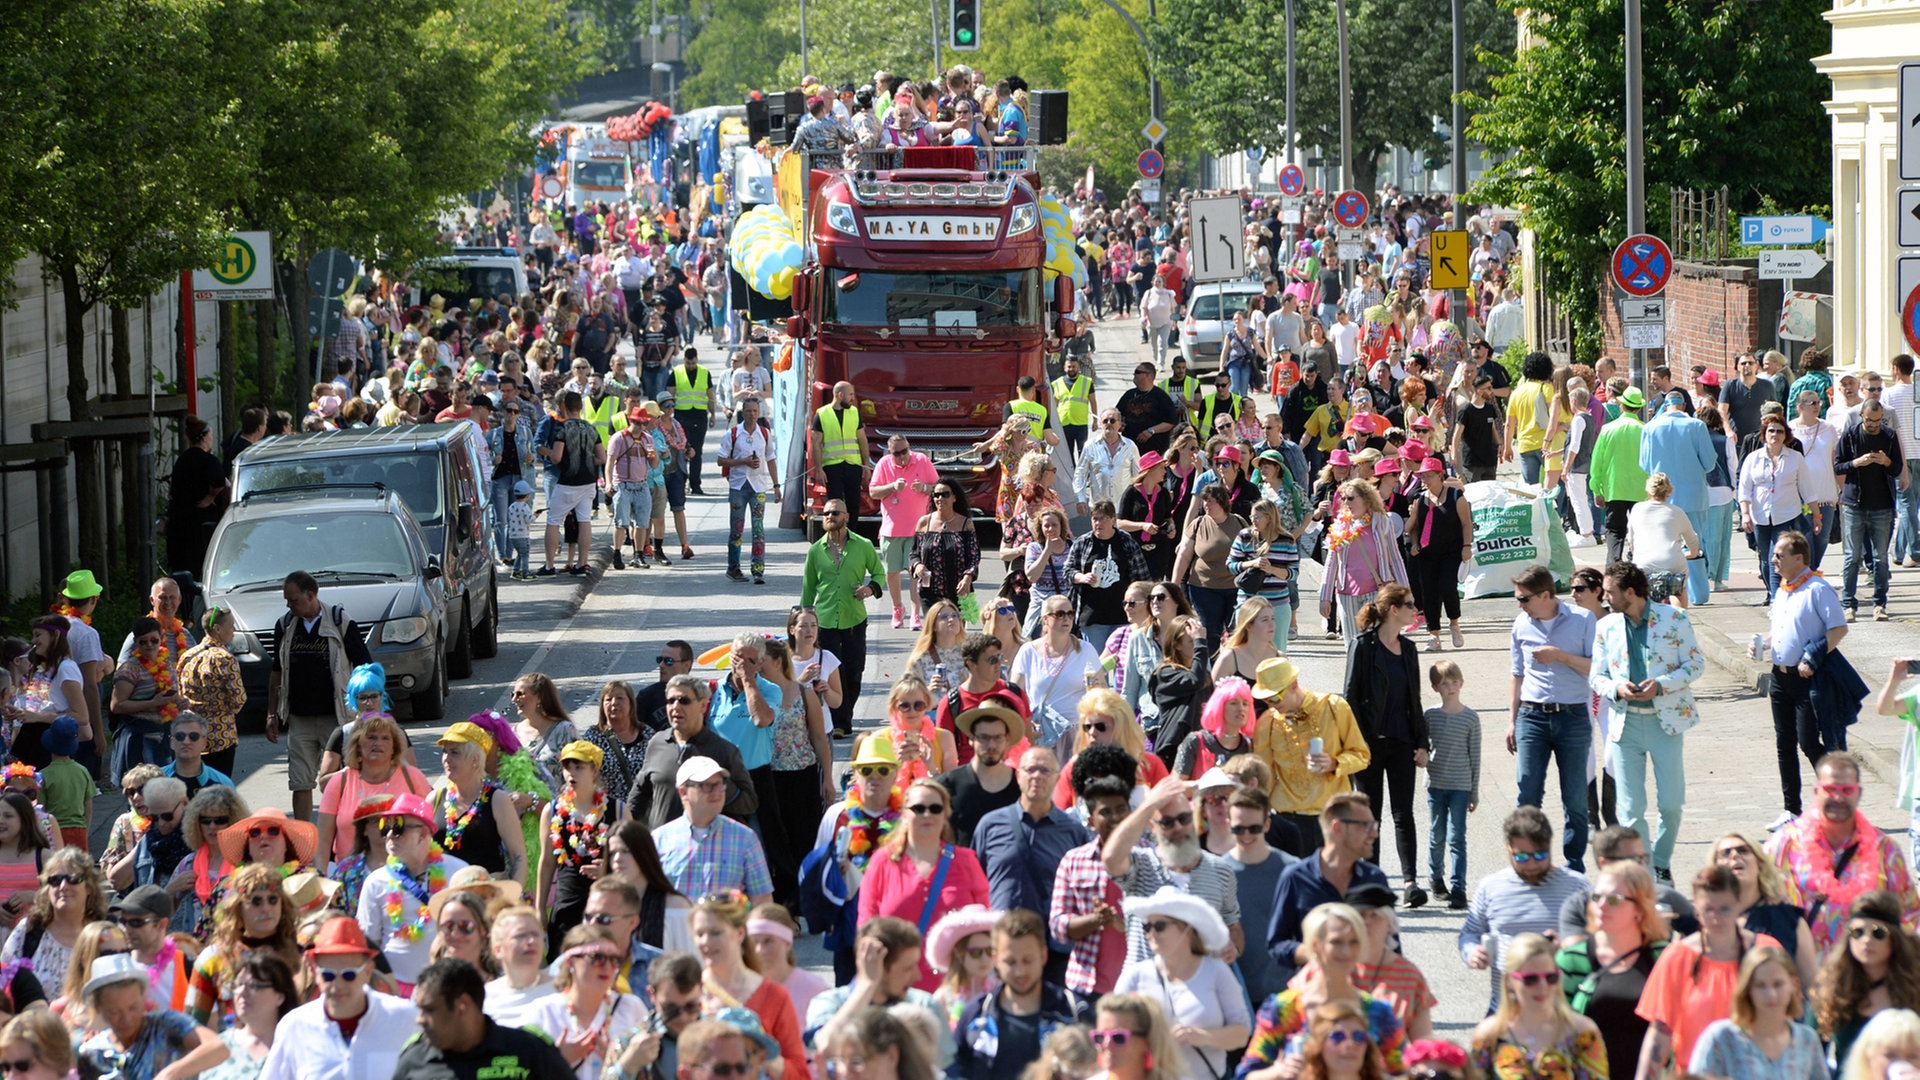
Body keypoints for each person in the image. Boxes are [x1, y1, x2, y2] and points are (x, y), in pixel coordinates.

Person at [1587, 559, 1704, 886]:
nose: (1603, 597)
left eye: (1609, 592)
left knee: (1671, 803)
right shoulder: (1605, 627)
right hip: (1624, 725)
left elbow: (1695, 665)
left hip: (1664, 723)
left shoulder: (1674, 618)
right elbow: (1597, 676)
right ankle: (1649, 870)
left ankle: (1662, 860)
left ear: (1630, 591)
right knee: (1630, 809)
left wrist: (1662, 684)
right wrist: (1616, 688)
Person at [1634, 865, 1784, 1077]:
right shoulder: (1677, 957)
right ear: (1696, 909)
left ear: (1739, 904)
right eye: (1708, 909)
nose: (1716, 918)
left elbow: (1786, 1018)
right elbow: (1660, 1030)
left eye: (1725, 909)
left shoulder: (1765, 951)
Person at [1767, 750, 1920, 955]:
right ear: (1816, 792)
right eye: (1830, 789)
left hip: (1865, 977)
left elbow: (1911, 915)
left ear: (1859, 793)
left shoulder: (1885, 850)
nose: (1838, 797)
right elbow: (1757, 899)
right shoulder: (1785, 842)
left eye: (1847, 790)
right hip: (1803, 973)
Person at [1242, 903, 1408, 1079]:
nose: (1347, 951)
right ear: (1315, 946)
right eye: (1336, 942)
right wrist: (1279, 1072)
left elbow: (1403, 1072)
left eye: (1354, 942)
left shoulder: (1377, 1011)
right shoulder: (1283, 1008)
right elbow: (1246, 1075)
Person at [1342, 584, 1429, 908]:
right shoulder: (1362, 646)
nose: (1414, 609)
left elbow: (1415, 699)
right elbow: (1349, 697)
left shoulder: (1408, 649)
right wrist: (1360, 744)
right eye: (1409, 605)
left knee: (1403, 813)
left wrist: (1422, 742)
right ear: (1393, 609)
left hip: (1403, 742)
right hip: (1370, 745)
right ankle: (1372, 883)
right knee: (1370, 817)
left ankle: (1410, 883)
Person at [1508, 565, 1597, 872]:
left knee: (1574, 797)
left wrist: (1560, 656)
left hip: (1573, 715)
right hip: (1532, 716)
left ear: (1545, 595)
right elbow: (1517, 674)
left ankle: (1574, 867)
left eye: (1524, 598)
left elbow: (1596, 668)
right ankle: (1531, 861)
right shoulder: (1521, 623)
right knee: (1528, 791)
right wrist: (1512, 720)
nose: (1520, 604)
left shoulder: (1582, 620)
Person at [1110, 885, 1251, 1079]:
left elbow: (1242, 1033)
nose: (1152, 933)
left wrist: (1201, 1036)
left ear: (1187, 929)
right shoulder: (1134, 976)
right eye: (1147, 926)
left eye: (1160, 926)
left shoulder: (1217, 971)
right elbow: (1111, 1032)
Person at [265, 571, 372, 823]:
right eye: (287, 600)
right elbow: (277, 671)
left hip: (336, 717)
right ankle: (304, 837)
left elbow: (365, 667)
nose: (288, 605)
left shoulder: (340, 622)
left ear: (310, 595)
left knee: (343, 777)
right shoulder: (285, 626)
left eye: (293, 599)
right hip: (299, 717)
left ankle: (345, 829)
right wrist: (272, 714)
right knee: (300, 782)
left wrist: (367, 711)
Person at [1760, 531, 1852, 825]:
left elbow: (1838, 629)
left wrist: (1813, 656)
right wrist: (1764, 642)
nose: (1773, 560)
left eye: (1779, 555)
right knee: (1783, 743)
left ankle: (1838, 801)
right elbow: (1784, 629)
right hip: (1779, 677)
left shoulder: (1817, 589)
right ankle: (1792, 810)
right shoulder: (1783, 589)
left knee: (1809, 742)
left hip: (1806, 680)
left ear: (1799, 558)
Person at [1458, 806, 1589, 1011]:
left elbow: (1602, 942)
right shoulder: (1491, 887)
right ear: (1508, 848)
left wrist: (1567, 948)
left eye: (1539, 855)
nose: (1531, 864)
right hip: (1504, 1011)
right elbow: (1470, 933)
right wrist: (1472, 951)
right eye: (1521, 857)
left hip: (1562, 1012)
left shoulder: (1578, 887)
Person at [257, 917, 419, 1080]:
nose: (338, 984)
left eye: (349, 975)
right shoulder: (294, 1026)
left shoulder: (406, 1017)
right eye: (328, 975)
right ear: (314, 972)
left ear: (368, 972)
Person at [1248, 657, 1370, 860]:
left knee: (1336, 888)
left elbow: (1362, 755)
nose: (1271, 705)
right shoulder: (1267, 723)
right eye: (1266, 700)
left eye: (1275, 698)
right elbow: (1263, 776)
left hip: (1333, 817)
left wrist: (1335, 763)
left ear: (1293, 685)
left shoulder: (1334, 707)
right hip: (1290, 821)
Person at [1552, 858, 1666, 1074]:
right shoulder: (1572, 959)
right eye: (1597, 897)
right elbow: (1554, 1026)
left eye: (1614, 899)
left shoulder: (1663, 957)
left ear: (1640, 909)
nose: (1601, 905)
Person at [356, 792, 468, 994]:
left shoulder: (458, 872)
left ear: (424, 834)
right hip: (394, 990)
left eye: (398, 828)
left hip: (448, 987)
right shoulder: (375, 881)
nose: (389, 835)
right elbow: (367, 943)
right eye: (385, 827)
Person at [398, 957, 576, 1080]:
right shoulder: (414, 1058)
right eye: (420, 1010)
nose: (419, 1020)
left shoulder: (529, 1050)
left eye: (430, 1010)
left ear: (463, 1005)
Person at [1468, 934, 1606, 1080]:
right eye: (1530, 979)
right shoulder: (1490, 1034)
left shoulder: (1582, 1032)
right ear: (1509, 981)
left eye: (1550, 977)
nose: (1542, 986)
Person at [802, 498, 885, 739]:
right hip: (825, 620)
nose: (829, 516)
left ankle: (843, 714)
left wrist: (870, 589)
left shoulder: (863, 545)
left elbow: (878, 572)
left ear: (846, 516)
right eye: (826, 513)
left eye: (835, 513)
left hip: (854, 619)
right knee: (831, 672)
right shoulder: (816, 550)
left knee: (854, 670)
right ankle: (841, 722)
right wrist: (801, 619)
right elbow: (808, 588)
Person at [183, 862, 303, 1028]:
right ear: (238, 908)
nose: (266, 908)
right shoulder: (212, 958)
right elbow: (192, 1027)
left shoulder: (301, 956)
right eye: (256, 901)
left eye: (273, 899)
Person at [627, 675, 756, 829]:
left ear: (703, 705)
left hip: (706, 846)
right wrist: (624, 832)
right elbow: (640, 793)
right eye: (670, 701)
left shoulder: (724, 750)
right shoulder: (657, 742)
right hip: (663, 846)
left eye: (684, 701)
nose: (675, 707)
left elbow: (748, 803)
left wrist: (715, 783)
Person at [74, 953, 227, 1080]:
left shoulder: (167, 1025)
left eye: (133, 1008)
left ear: (143, 998)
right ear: (99, 1008)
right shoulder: (92, 1054)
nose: (126, 1018)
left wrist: (171, 1073)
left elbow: (218, 1048)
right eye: (115, 1012)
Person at [523, 925, 649, 1080]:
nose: (608, 966)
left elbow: (650, 1072)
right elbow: (521, 1072)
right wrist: (557, 1060)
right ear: (570, 962)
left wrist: (621, 1063)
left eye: (614, 959)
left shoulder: (631, 1007)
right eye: (597, 958)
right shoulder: (543, 1011)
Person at [1688, 945, 1827, 1080]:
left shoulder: (1807, 1040)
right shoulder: (1721, 1038)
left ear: (1794, 985)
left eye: (1778, 984)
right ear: (1747, 989)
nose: (1771, 994)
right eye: (1760, 986)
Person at [535, 741, 619, 959]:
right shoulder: (552, 810)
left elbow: (630, 865)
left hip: (605, 906)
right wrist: (539, 908)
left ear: (594, 770)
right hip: (566, 906)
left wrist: (608, 871)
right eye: (567, 767)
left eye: (579, 767)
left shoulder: (618, 810)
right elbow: (546, 863)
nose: (571, 773)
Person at [315, 711, 430, 866]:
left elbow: (430, 827)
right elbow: (323, 839)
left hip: (404, 875)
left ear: (394, 747)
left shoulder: (412, 777)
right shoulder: (339, 781)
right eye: (371, 737)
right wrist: (322, 877)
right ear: (358, 744)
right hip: (349, 877)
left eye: (385, 738)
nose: (378, 743)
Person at [652, 757, 772, 904]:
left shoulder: (745, 838)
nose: (717, 792)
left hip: (727, 926)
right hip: (675, 926)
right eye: (707, 786)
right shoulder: (659, 840)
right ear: (683, 792)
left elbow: (762, 901)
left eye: (720, 784)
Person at [1835, 398, 1905, 620]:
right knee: (1852, 557)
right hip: (1854, 503)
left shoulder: (1889, 436)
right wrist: (1857, 463)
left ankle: (1880, 603)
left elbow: (1897, 469)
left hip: (1882, 505)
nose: (1874, 425)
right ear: (1861, 416)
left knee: (1880, 558)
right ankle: (1849, 604)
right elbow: (1838, 465)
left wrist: (1885, 462)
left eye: (1878, 421)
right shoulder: (1851, 435)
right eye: (1869, 421)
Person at [1318, 480, 1408, 654]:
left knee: (1378, 645)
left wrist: (1406, 593)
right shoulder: (1340, 525)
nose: (1346, 503)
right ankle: (1357, 680)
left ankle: (1377, 680)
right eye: (1344, 498)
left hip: (1376, 591)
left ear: (1366, 498)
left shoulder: (1382, 523)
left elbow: (1395, 559)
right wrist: (1325, 597)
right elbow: (1331, 563)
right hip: (1346, 594)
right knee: (1353, 647)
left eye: (1351, 498)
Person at [1740, 416, 1820, 601]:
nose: (1775, 435)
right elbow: (1744, 489)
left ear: (1786, 435)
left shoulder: (1795, 458)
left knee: (1775, 556)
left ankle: (1777, 600)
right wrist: (1745, 514)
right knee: (1765, 560)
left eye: (1779, 431)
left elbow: (1807, 489)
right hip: (1760, 516)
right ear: (1764, 434)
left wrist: (1817, 515)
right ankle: (1772, 592)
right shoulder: (1753, 459)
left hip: (1786, 515)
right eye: (1771, 431)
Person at [870, 435, 941, 630]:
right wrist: (892, 487)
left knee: (915, 573)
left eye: (904, 451)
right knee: (891, 572)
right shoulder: (884, 464)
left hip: (917, 530)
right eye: (896, 453)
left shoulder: (921, 461)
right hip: (891, 529)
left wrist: (925, 488)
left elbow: (938, 488)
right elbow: (873, 492)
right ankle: (897, 608)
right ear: (889, 452)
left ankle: (915, 614)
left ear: (909, 448)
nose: (901, 457)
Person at [937, 697, 1022, 847]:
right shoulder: (947, 785)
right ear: (971, 739)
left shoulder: (1021, 785)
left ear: (1007, 739)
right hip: (961, 868)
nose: (991, 745)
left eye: (998, 737)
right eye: (984, 738)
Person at [717, 395, 780, 584]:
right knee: (737, 530)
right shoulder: (733, 434)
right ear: (742, 413)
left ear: (759, 412)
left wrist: (776, 486)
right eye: (748, 411)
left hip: (758, 487)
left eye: (754, 411)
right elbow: (721, 460)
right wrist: (742, 462)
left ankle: (758, 569)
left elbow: (770, 459)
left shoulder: (764, 433)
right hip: (738, 487)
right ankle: (733, 567)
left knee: (758, 529)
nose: (751, 415)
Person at [176, 607, 245, 777]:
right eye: (231, 625)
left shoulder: (187, 656)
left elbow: (179, 693)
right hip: (220, 735)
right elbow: (238, 699)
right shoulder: (225, 659)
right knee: (218, 788)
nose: (234, 629)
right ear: (217, 629)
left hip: (192, 735)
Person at [109, 617, 181, 780]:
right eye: (143, 641)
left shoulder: (167, 664)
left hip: (165, 734)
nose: (149, 645)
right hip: (139, 736)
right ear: (136, 642)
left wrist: (179, 702)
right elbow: (117, 706)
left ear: (161, 639)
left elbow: (171, 695)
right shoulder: (130, 669)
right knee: (141, 789)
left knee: (166, 787)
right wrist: (152, 703)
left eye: (154, 640)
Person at [1589, 386, 1651, 564]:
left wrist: (1596, 488)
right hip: (1641, 489)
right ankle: (1637, 562)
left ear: (1622, 406)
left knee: (1615, 530)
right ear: (1639, 408)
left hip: (1614, 487)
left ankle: (1613, 564)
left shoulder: (1608, 429)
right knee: (1640, 529)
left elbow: (1597, 462)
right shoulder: (1645, 429)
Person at [481, 905, 553, 1027]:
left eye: (536, 935)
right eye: (520, 936)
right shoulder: (485, 998)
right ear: (498, 949)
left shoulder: (563, 990)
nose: (531, 941)